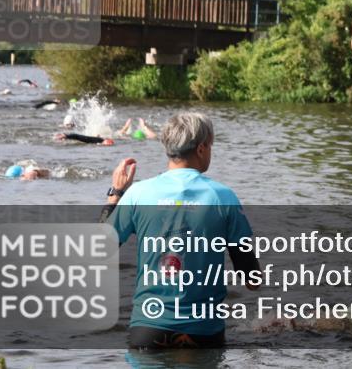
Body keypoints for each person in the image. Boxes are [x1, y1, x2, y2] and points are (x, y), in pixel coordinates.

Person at [103, 113, 261, 349]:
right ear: (201, 148)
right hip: (204, 333)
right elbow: (252, 280)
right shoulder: (223, 197)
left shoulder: (138, 194)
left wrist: (115, 194)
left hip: (148, 330)